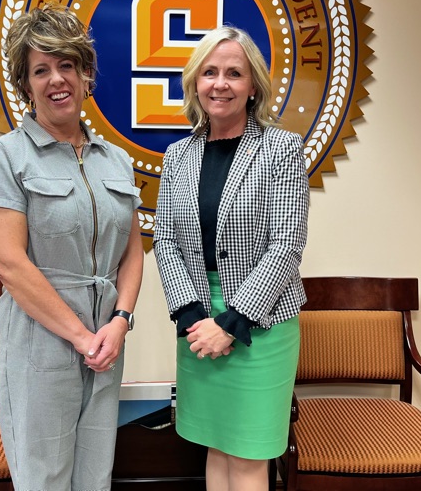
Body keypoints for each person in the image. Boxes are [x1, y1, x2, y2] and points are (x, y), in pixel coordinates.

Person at [0, 4, 144, 490]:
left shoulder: (118, 161)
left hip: (106, 343)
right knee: (44, 480)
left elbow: (132, 254)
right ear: (25, 86)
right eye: (40, 70)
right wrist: (80, 336)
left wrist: (120, 322)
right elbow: (8, 262)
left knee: (95, 476)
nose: (56, 80)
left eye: (66, 65)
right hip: (39, 345)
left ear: (86, 74)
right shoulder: (5, 156)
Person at [153, 26, 309, 491]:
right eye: (210, 72)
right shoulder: (177, 156)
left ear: (253, 85)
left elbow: (286, 243)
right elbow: (165, 241)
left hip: (259, 323)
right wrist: (194, 316)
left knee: (247, 454)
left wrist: (231, 321)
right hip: (197, 321)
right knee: (215, 444)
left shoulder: (282, 148)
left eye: (234, 73)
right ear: (195, 82)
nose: (220, 83)